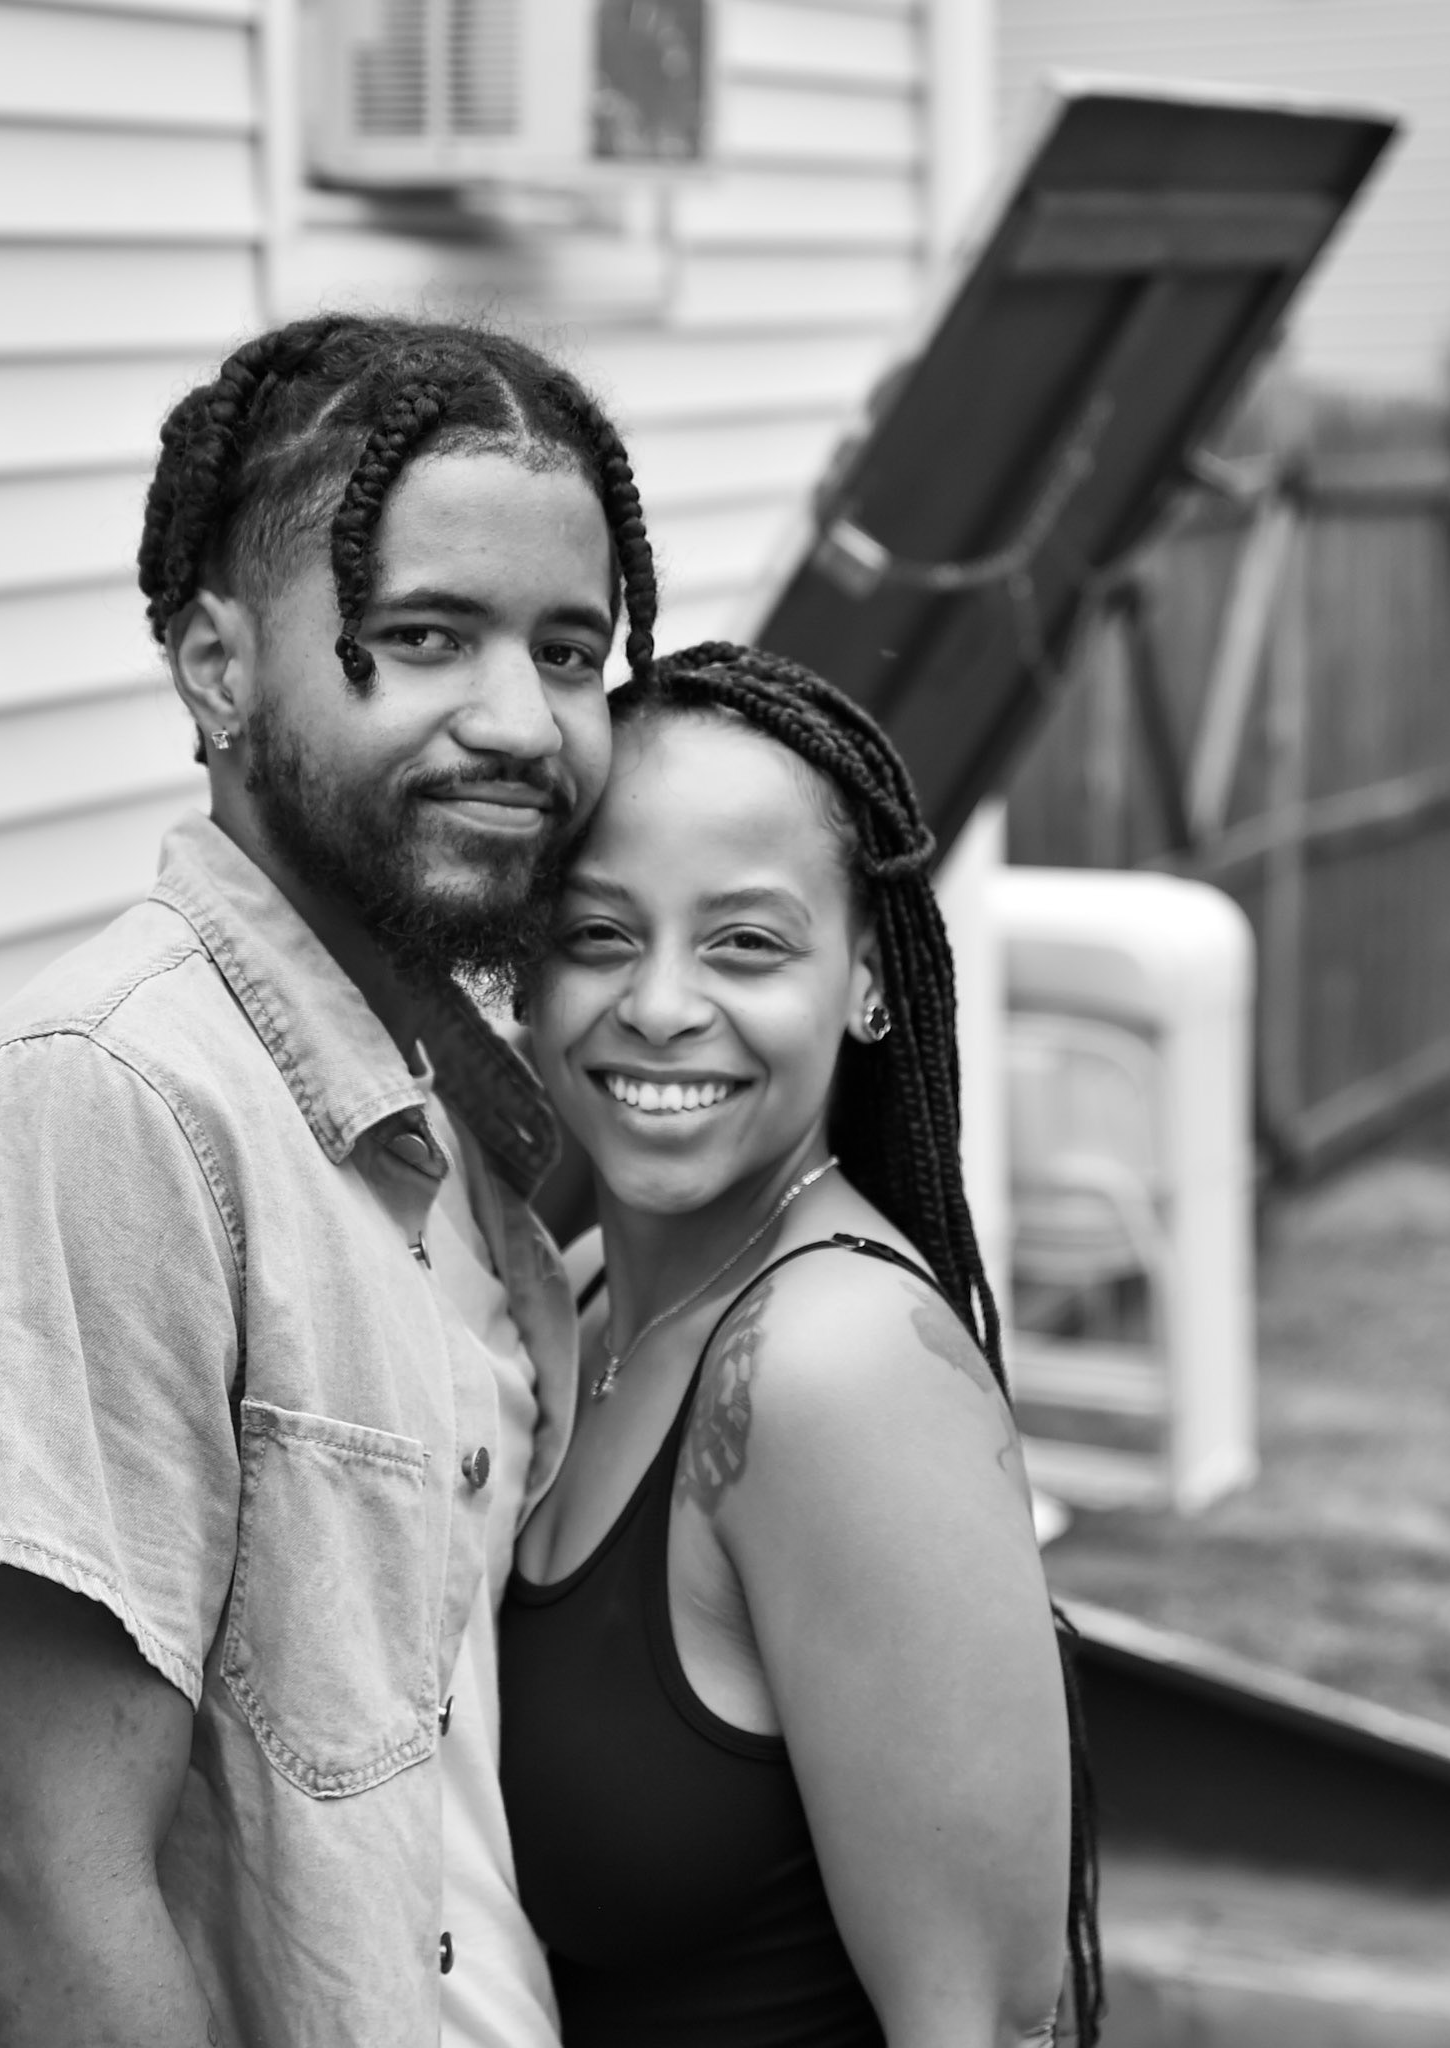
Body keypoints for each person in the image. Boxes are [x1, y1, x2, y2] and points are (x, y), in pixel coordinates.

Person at [0, 313, 658, 2048]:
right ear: (214, 667)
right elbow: (34, 1891)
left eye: (569, 652)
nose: (520, 720)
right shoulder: (100, 1113)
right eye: (423, 637)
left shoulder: (443, 1138)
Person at [500, 643, 1103, 2047]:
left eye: (746, 943)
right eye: (597, 934)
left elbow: (987, 2028)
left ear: (867, 979)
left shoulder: (839, 1368)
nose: (659, 1004)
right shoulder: (578, 1302)